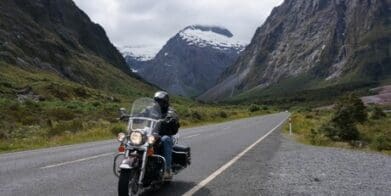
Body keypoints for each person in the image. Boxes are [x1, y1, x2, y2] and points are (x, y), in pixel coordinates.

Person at [153, 91, 180, 179]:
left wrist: (170, 119)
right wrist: (129, 116)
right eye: (156, 101)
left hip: (166, 134)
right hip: (152, 133)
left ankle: (167, 170)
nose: (158, 103)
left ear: (165, 102)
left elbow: (173, 115)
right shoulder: (152, 108)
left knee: (165, 139)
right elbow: (143, 113)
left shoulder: (170, 110)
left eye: (160, 101)